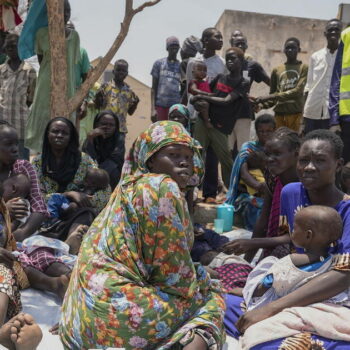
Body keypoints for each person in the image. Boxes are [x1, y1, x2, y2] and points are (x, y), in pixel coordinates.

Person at [59, 121, 226, 350]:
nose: (184, 162)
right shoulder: (162, 186)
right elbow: (173, 277)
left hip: (81, 318)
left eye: (187, 156)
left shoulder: (126, 187)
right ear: (150, 159)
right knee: (212, 300)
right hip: (117, 320)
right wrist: (202, 279)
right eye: (173, 154)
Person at [224, 129, 350, 350]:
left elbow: (343, 276)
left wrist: (271, 308)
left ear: (338, 164)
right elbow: (292, 245)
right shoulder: (291, 192)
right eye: (304, 160)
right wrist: (258, 289)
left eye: (320, 161)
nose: (309, 167)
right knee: (220, 305)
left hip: (330, 297)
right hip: (292, 286)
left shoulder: (347, 210)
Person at [239, 206, 344, 310]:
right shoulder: (333, 262)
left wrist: (248, 291)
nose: (291, 231)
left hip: (273, 304)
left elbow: (265, 286)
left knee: (269, 262)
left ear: (308, 235)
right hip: (304, 305)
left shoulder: (292, 261)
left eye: (294, 228)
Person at [31, 117, 110, 251]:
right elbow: (36, 195)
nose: (59, 135)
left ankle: (71, 242)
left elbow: (105, 190)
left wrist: (82, 201)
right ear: (47, 134)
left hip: (75, 216)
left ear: (71, 137)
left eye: (64, 133)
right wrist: (69, 194)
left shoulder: (84, 161)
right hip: (47, 217)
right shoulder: (38, 162)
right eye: (55, 131)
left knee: (86, 213)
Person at [224, 127, 300, 262]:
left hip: (301, 250)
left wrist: (254, 243)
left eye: (277, 153)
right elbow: (263, 221)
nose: (270, 159)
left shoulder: (305, 185)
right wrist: (246, 262)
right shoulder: (273, 179)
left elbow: (298, 235)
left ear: (296, 154)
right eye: (267, 154)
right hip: (276, 244)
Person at [25, 0, 81, 153]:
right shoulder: (41, 34)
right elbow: (42, 60)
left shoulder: (74, 36)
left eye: (67, 11)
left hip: (67, 85)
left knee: (64, 123)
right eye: (62, 11)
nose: (65, 14)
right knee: (43, 118)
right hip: (45, 84)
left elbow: (73, 64)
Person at [191, 47, 250, 192]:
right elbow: (206, 93)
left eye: (233, 58)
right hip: (203, 120)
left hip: (221, 126)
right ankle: (190, 190)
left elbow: (226, 101)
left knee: (226, 161)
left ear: (241, 61)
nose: (229, 61)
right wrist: (196, 100)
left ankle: (232, 193)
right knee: (196, 155)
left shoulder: (243, 82)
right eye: (227, 58)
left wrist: (200, 97)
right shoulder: (220, 78)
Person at [186, 27, 227, 203]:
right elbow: (188, 87)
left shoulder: (222, 63)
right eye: (217, 37)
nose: (221, 40)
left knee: (212, 156)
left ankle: (209, 194)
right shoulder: (192, 62)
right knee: (194, 154)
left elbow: (223, 90)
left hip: (214, 114)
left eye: (221, 37)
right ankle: (191, 190)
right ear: (205, 40)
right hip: (195, 114)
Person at [0, 122, 48, 242]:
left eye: (16, 144)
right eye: (8, 144)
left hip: (21, 230)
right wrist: (4, 209)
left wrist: (21, 234)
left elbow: (39, 207)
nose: (15, 149)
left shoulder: (23, 167)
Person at [256, 37, 308, 132]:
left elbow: (298, 91)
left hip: (296, 114)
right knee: (279, 143)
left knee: (294, 142)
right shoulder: (277, 70)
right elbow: (272, 98)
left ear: (299, 50)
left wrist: (270, 96)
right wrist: (260, 105)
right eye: (287, 48)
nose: (290, 50)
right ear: (284, 50)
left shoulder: (304, 68)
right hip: (279, 115)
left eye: (293, 48)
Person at [230, 34, 270, 151]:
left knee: (243, 150)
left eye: (243, 43)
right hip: (227, 114)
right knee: (228, 151)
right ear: (232, 46)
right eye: (237, 44)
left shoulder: (253, 66)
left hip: (244, 113)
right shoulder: (225, 64)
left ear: (247, 46)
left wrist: (261, 102)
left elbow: (272, 83)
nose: (241, 46)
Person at [302, 19, 343, 134]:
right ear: (325, 33)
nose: (333, 32)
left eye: (337, 30)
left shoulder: (345, 57)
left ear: (341, 33)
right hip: (312, 112)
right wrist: (302, 120)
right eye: (330, 30)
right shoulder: (315, 56)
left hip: (333, 115)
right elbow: (308, 87)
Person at [95, 59, 139, 165]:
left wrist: (136, 103)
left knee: (118, 157)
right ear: (113, 71)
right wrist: (98, 98)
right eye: (118, 70)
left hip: (120, 129)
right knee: (102, 154)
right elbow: (98, 106)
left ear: (127, 73)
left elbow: (130, 112)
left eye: (123, 71)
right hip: (105, 128)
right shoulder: (105, 86)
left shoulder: (129, 90)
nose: (120, 73)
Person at [0, 34, 36, 160]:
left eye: (13, 46)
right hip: (2, 125)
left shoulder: (29, 71)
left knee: (21, 164)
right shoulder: (1, 70)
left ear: (20, 47)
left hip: (20, 126)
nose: (10, 49)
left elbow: (31, 98)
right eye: (8, 46)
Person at [226, 114, 276, 205]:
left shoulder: (277, 149)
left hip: (271, 188)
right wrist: (258, 186)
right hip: (250, 188)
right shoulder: (249, 147)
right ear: (256, 132)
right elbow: (244, 174)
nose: (265, 134)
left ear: (274, 131)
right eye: (261, 131)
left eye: (269, 131)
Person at [82, 110, 122, 189]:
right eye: (103, 124)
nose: (107, 127)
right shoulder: (92, 136)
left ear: (116, 127)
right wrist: (90, 139)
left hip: (108, 176)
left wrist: (97, 173)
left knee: (114, 171)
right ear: (96, 124)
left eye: (111, 125)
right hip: (91, 173)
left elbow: (114, 160)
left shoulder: (119, 139)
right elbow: (86, 159)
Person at [329, 26, 350, 163]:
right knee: (345, 165)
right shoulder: (346, 35)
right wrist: (334, 118)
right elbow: (336, 78)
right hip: (347, 115)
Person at [151, 36, 181, 121]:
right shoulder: (159, 64)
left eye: (176, 45)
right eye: (172, 45)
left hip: (175, 106)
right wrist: (153, 109)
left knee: (172, 131)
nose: (174, 47)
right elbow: (153, 88)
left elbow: (183, 87)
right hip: (160, 105)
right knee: (159, 131)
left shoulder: (181, 66)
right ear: (167, 48)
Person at [188, 61, 214, 128]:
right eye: (199, 70)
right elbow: (194, 90)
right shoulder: (194, 81)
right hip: (198, 99)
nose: (202, 72)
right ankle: (206, 122)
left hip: (205, 98)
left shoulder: (205, 82)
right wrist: (206, 93)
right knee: (204, 105)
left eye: (204, 70)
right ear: (193, 72)